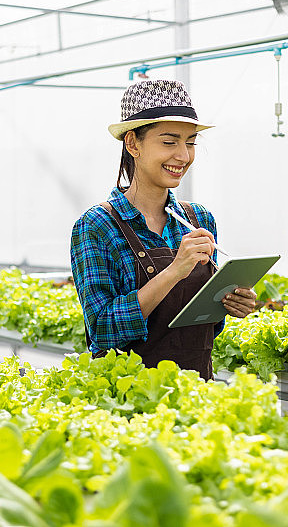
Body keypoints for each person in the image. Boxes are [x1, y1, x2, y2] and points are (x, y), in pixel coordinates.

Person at [70, 80, 257, 380]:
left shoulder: (200, 220)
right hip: (127, 400)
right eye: (169, 142)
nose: (183, 156)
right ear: (133, 144)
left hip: (196, 390)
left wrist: (229, 303)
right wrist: (173, 272)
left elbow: (199, 328)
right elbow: (102, 330)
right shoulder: (97, 226)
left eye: (191, 142)